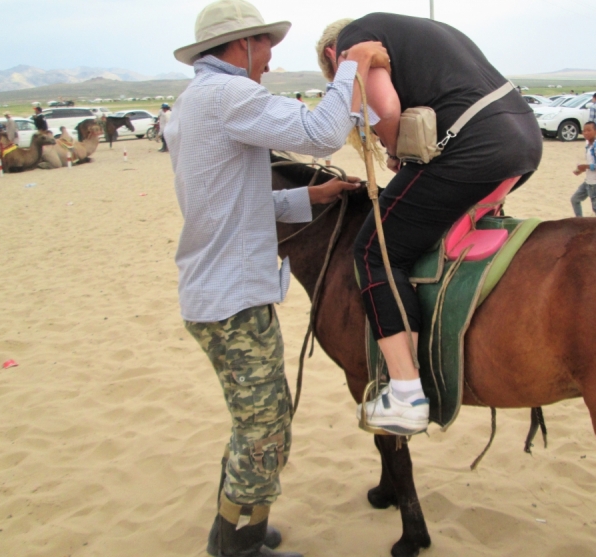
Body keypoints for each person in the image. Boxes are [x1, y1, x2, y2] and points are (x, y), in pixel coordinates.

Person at [165, 1, 387, 556]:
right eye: (265, 45)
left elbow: (233, 201)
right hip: (232, 300)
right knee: (266, 429)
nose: (269, 57)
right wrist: (351, 68)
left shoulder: (194, 101)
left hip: (215, 292)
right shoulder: (229, 94)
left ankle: (240, 526)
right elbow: (322, 133)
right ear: (241, 45)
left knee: (256, 420)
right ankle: (238, 547)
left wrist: (310, 196)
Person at [317, 14, 542, 436]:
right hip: (524, 141)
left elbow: (384, 107)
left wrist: (387, 141)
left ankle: (405, 392)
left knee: (373, 252)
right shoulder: (420, 34)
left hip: (477, 149)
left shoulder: (353, 42)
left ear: (334, 56)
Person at [570, 121, 596, 217]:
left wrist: (586, 166)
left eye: (589, 130)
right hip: (588, 181)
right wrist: (582, 169)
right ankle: (580, 221)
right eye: (584, 131)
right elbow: (593, 162)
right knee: (575, 199)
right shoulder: (589, 145)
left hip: (594, 182)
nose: (586, 133)